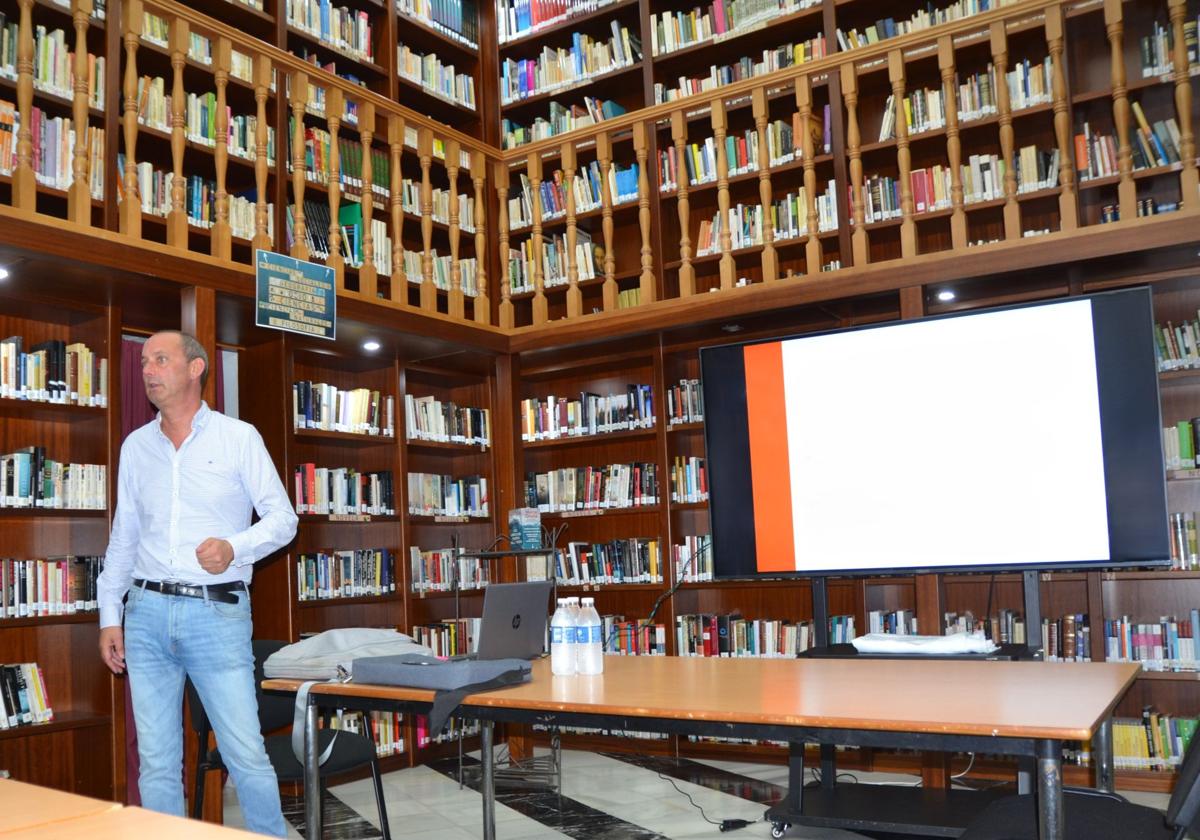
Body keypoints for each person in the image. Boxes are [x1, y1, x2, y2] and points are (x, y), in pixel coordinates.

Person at [97, 330, 298, 836]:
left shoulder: (238, 437)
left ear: (195, 368)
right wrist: (110, 616)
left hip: (215, 613)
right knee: (158, 761)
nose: (148, 370)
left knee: (244, 752)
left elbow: (283, 520)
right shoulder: (135, 447)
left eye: (160, 359)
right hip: (145, 614)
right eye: (144, 362)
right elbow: (123, 538)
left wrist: (234, 547)